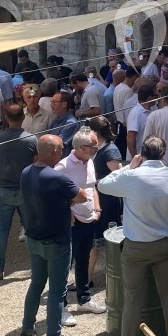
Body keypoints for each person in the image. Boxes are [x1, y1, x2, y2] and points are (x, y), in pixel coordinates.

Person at [97, 136, 168, 336]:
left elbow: (103, 185)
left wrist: (129, 166)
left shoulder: (131, 176)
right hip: (164, 244)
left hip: (136, 246)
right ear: (164, 155)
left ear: (142, 154)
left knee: (132, 302)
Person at [17, 135, 88, 336]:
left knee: (36, 284)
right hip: (56, 241)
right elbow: (83, 196)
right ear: (55, 152)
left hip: (33, 238)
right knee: (57, 292)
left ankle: (27, 331)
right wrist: (66, 202)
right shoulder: (58, 178)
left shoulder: (26, 172)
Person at [56, 128, 107, 316]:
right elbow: (55, 192)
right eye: (94, 145)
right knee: (65, 265)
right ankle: (61, 306)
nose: (97, 148)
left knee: (83, 260)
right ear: (82, 147)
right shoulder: (63, 166)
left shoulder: (90, 161)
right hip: (72, 222)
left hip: (90, 218)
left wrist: (97, 208)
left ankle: (84, 299)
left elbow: (92, 187)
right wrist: (66, 212)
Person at [0, 102, 38, 280]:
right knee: (31, 229)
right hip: (25, 189)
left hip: (4, 188)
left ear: (6, 118)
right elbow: (35, 162)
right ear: (23, 117)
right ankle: (35, 266)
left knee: (2, 230)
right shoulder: (31, 139)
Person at [91, 115, 123, 253]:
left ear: (96, 132)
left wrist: (96, 181)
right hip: (99, 197)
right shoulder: (98, 147)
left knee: (107, 240)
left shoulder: (110, 151)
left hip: (108, 200)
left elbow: (119, 176)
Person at [112, 68, 138, 158]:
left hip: (119, 123)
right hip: (124, 124)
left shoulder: (118, 87)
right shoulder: (128, 91)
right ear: (135, 77)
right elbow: (128, 108)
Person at [126, 82, 157, 157]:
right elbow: (130, 137)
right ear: (150, 98)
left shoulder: (151, 111)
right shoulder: (136, 113)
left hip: (147, 157)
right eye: (155, 96)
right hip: (138, 158)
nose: (157, 98)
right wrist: (135, 157)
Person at [48, 89, 78, 154]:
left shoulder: (71, 123)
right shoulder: (54, 121)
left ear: (64, 104)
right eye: (51, 102)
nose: (51, 105)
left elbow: (58, 143)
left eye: (54, 102)